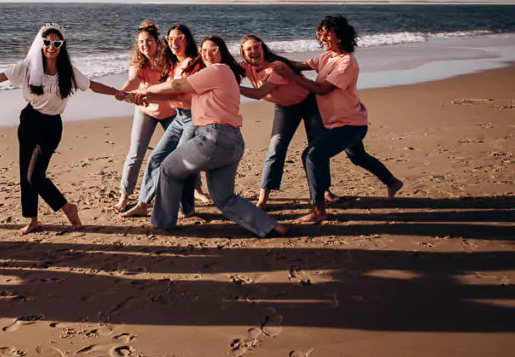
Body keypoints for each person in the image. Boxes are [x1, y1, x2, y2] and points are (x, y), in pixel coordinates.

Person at [0, 24, 126, 235]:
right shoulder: (27, 67)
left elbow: (93, 85)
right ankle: (32, 220)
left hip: (52, 126)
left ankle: (67, 207)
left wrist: (117, 93)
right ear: (40, 44)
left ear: (62, 46)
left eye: (56, 43)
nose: (51, 46)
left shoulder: (68, 72)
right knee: (24, 173)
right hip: (29, 120)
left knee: (35, 175)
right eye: (47, 42)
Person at [139, 35, 286, 238]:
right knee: (224, 198)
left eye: (214, 49)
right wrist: (142, 96)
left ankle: (162, 223)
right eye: (204, 50)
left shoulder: (219, 69)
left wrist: (146, 89)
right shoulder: (217, 78)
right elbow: (179, 96)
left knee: (168, 168)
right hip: (231, 142)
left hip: (213, 138)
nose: (208, 53)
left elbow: (177, 86)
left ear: (223, 52)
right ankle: (270, 225)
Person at [273, 15, 403, 222]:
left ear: (340, 35)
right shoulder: (326, 58)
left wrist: (290, 76)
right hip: (338, 122)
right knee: (357, 156)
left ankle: (318, 210)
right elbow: (297, 65)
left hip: (351, 125)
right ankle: (392, 182)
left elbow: (322, 89)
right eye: (320, 32)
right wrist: (266, 57)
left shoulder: (347, 63)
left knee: (312, 155)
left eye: (327, 32)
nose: (322, 37)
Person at [120, 23, 208, 219]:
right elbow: (139, 81)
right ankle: (142, 202)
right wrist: (133, 93)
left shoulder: (192, 63)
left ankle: (188, 205)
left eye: (179, 38)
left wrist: (147, 93)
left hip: (187, 116)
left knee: (182, 162)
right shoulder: (171, 64)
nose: (174, 42)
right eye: (171, 39)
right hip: (174, 117)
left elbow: (177, 91)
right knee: (155, 158)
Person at [239, 34, 326, 209]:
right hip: (284, 108)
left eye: (256, 47)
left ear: (262, 48)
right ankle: (264, 196)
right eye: (249, 49)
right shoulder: (245, 67)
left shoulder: (276, 67)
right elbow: (223, 68)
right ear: (243, 54)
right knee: (275, 148)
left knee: (316, 149)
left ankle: (324, 191)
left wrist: (235, 87)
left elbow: (259, 94)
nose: (253, 51)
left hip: (309, 104)